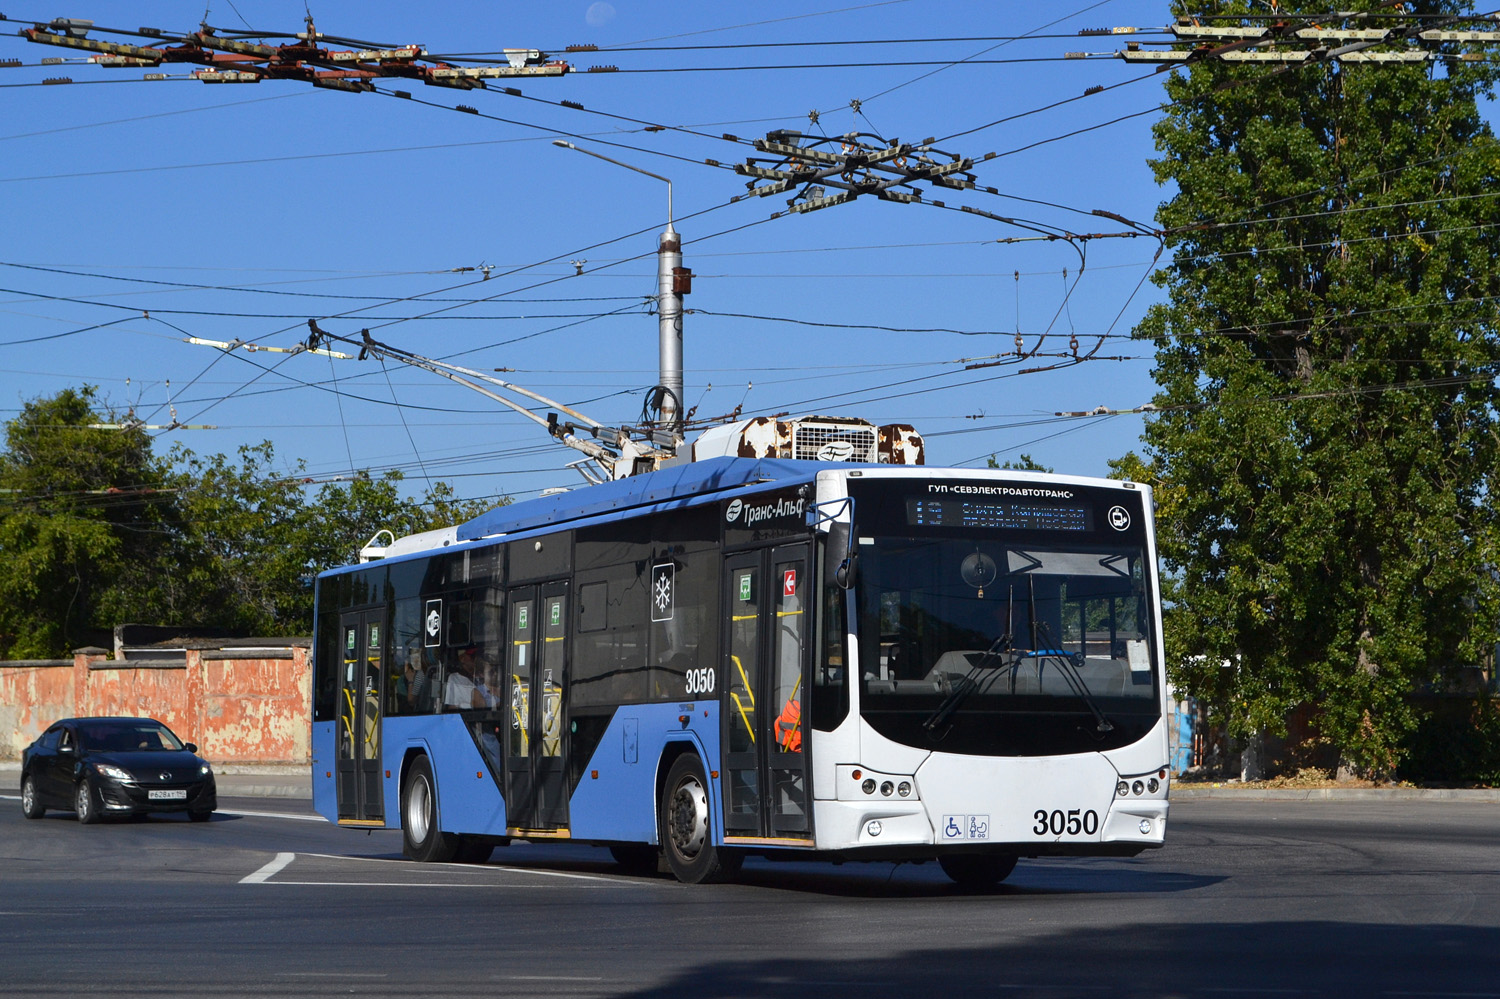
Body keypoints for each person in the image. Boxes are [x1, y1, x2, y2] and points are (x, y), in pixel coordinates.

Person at [445, 644, 496, 710]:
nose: (475, 659)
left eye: (478, 656)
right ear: (462, 658)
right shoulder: (454, 678)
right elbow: (452, 707)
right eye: (473, 656)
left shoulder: (485, 675)